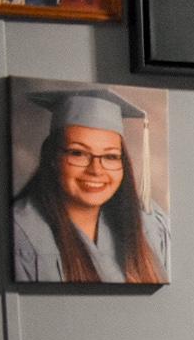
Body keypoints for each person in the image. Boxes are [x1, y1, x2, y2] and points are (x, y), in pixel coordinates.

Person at [12, 87, 170, 284]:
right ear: (53, 158)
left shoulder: (148, 222)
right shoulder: (21, 233)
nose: (96, 170)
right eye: (78, 153)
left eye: (111, 156)